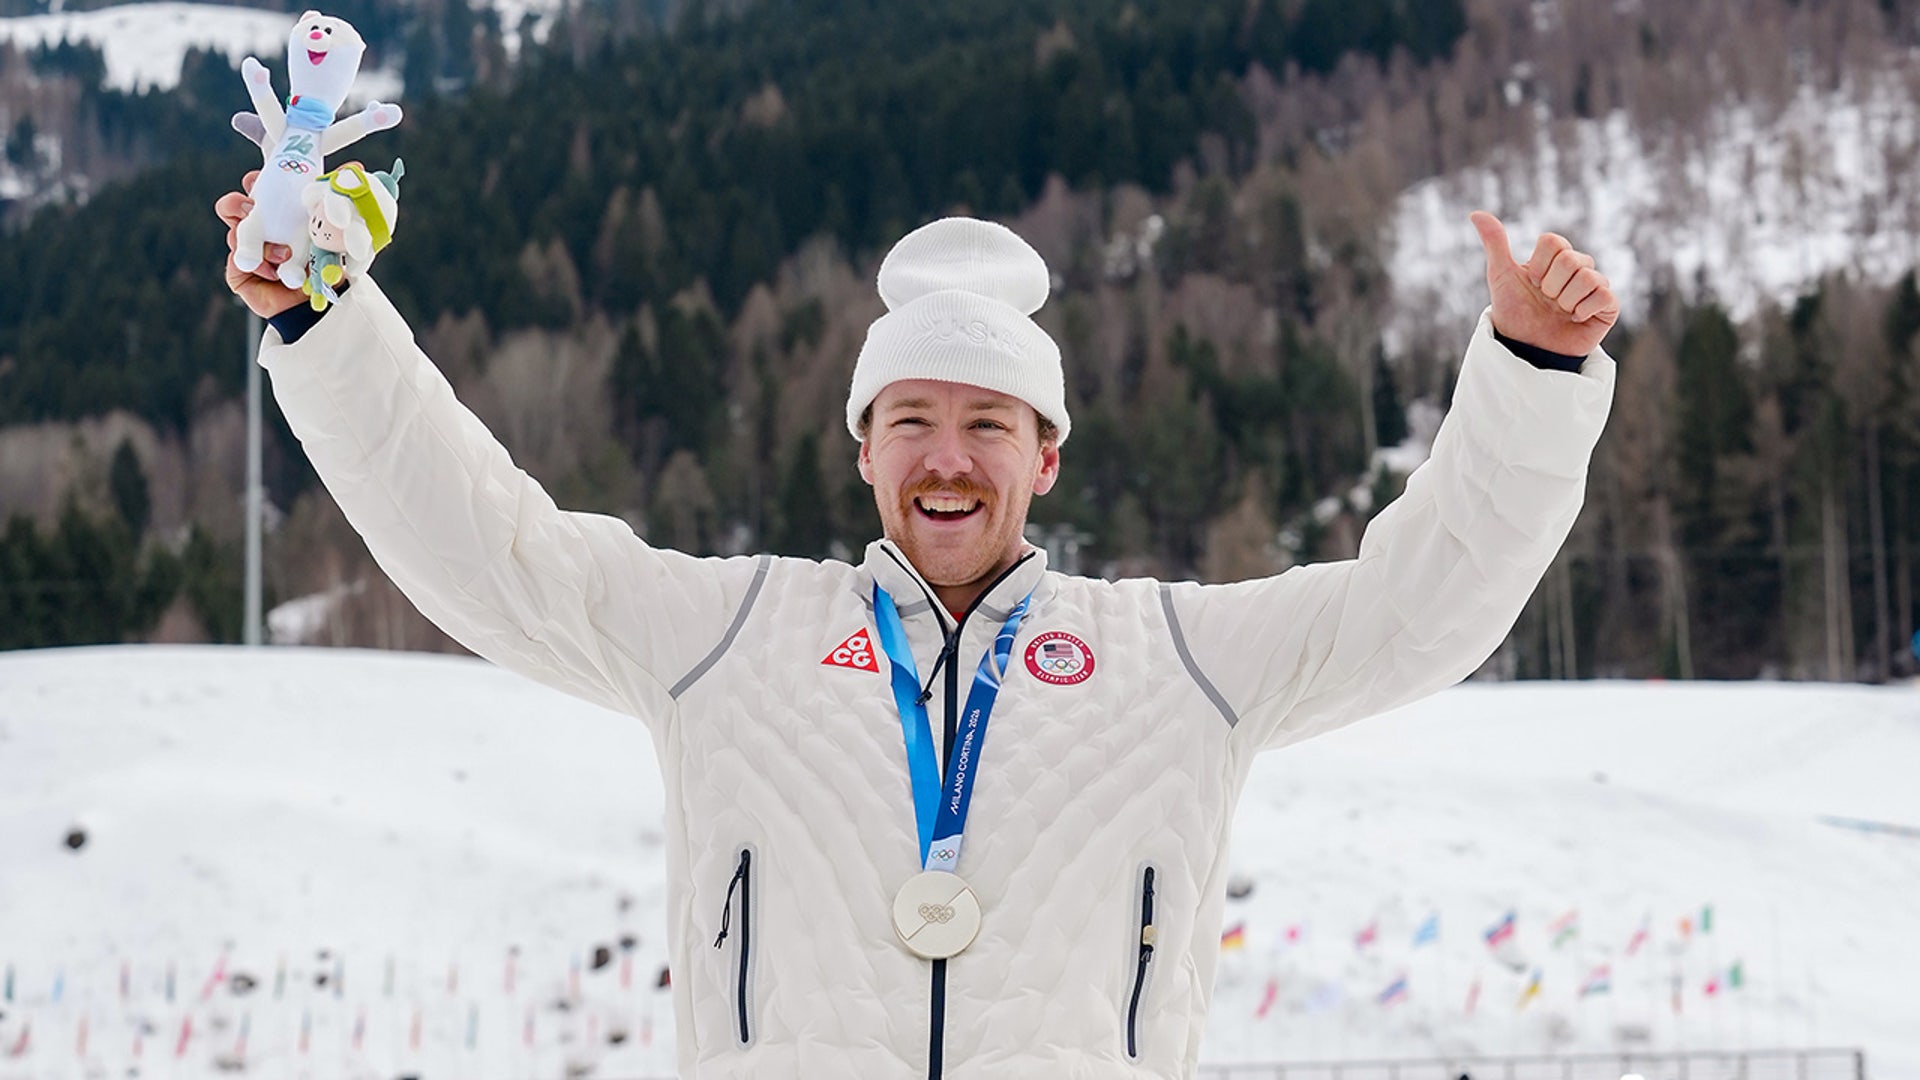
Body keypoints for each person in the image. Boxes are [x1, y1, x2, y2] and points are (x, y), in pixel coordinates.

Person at [216, 172, 1617, 1078]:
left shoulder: (1176, 663)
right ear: (865, 451)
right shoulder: (730, 636)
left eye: (986, 425)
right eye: (914, 424)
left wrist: (1534, 372)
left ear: (1046, 454)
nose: (949, 459)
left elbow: (1416, 610)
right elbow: (488, 546)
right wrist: (330, 328)